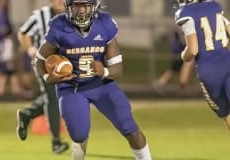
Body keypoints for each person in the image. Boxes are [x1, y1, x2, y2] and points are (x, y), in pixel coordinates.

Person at [35, 0, 152, 159]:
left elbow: (117, 70)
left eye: (85, 5)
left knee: (129, 126)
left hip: (102, 85)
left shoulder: (105, 23)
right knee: (79, 134)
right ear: (68, 6)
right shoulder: (59, 26)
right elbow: (40, 60)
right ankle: (79, 145)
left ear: (94, 6)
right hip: (72, 88)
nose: (81, 10)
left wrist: (104, 71)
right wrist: (49, 77)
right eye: (76, 5)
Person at [16, 0, 69, 154]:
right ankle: (56, 142)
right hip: (44, 63)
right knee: (53, 97)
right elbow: (23, 32)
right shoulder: (41, 15)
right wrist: (31, 50)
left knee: (58, 97)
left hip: (64, 64)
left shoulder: (72, 15)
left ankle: (27, 114)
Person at [175, 0, 230, 129]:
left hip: (209, 71)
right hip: (227, 62)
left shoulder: (185, 13)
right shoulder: (214, 6)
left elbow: (193, 50)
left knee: (227, 114)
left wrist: (183, 55)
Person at [0, 0, 23, 98]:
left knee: (6, 70)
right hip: (4, 47)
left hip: (0, 46)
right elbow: (4, 30)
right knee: (6, 69)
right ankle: (0, 92)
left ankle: (14, 90)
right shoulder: (0, 13)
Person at [154, 23, 194, 91]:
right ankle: (181, 85)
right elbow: (183, 41)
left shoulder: (180, 28)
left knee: (177, 68)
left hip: (179, 51)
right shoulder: (181, 28)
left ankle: (162, 82)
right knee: (177, 68)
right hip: (179, 52)